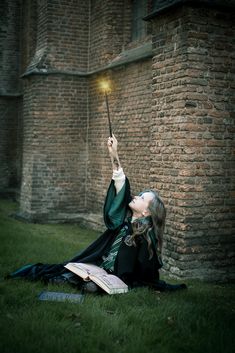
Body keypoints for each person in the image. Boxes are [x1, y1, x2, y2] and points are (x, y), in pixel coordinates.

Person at [8, 135, 186, 293]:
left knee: (92, 285)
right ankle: (74, 280)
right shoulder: (122, 223)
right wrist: (113, 153)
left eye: (141, 198)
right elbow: (120, 182)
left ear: (147, 211)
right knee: (61, 271)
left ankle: (86, 285)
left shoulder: (147, 238)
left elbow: (146, 274)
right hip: (98, 268)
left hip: (117, 279)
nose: (135, 196)